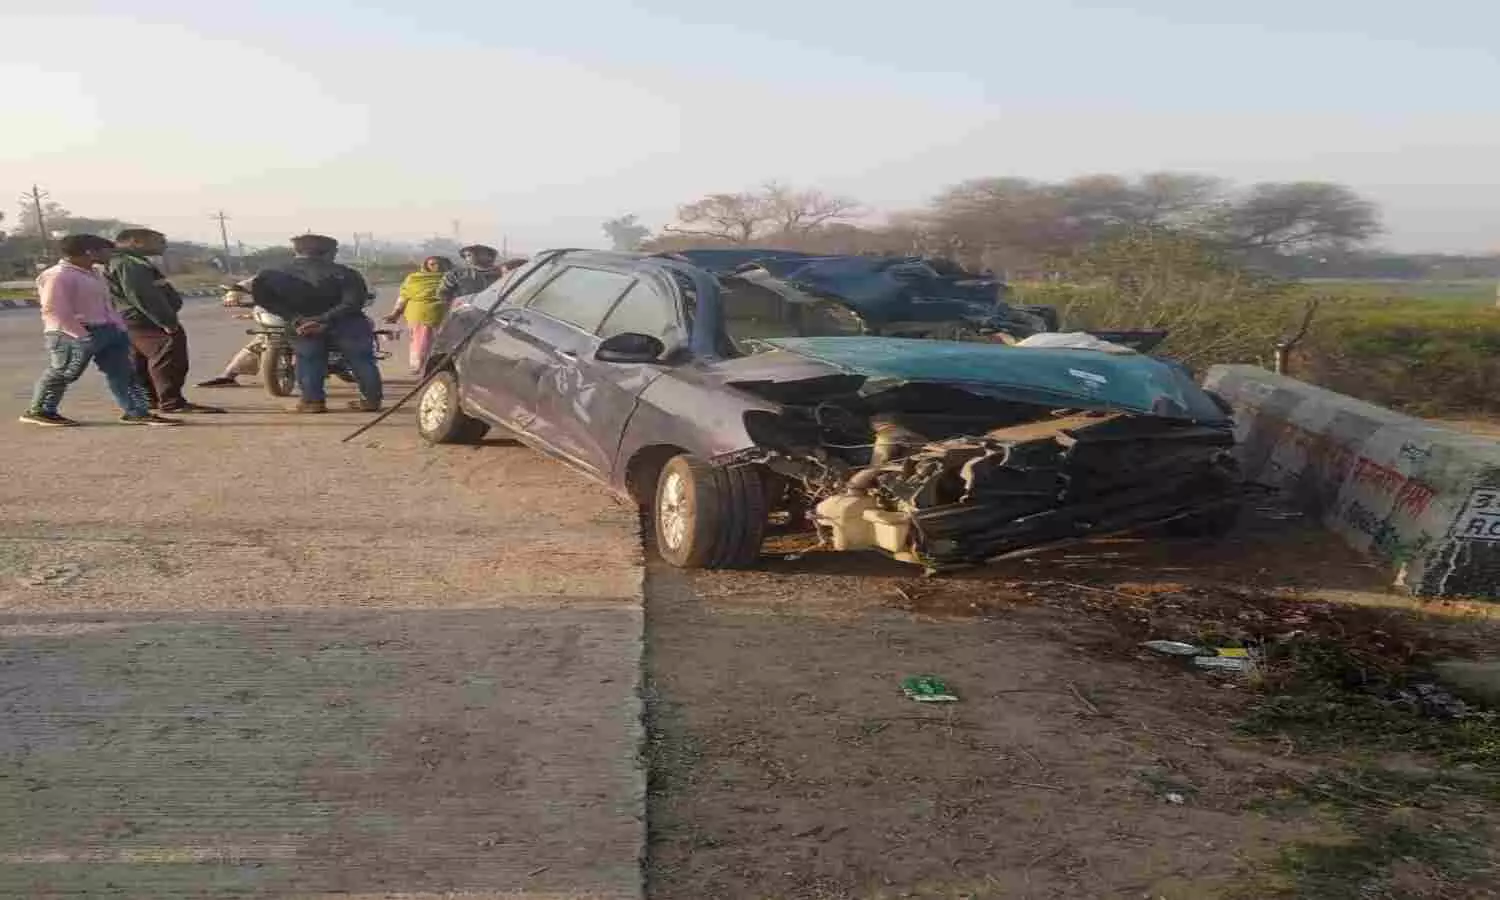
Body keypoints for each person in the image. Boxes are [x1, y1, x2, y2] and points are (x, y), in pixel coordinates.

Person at [19, 234, 180, 427]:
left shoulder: (95, 273)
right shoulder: (58, 275)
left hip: (109, 330)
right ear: (90, 252)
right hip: (72, 334)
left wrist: (119, 326)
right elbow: (54, 310)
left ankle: (137, 412)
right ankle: (40, 411)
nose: (110, 255)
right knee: (64, 372)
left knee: (123, 373)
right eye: (106, 251)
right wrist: (81, 335)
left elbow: (106, 304)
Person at [250, 234, 383, 413]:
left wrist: (297, 319)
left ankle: (312, 403)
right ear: (329, 252)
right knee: (362, 360)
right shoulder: (346, 273)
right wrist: (323, 320)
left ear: (296, 250)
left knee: (309, 359)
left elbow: (264, 300)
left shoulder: (272, 274)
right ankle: (371, 401)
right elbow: (353, 302)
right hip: (346, 324)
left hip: (303, 326)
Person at [106, 228, 224, 414]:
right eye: (159, 241)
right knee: (168, 356)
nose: (164, 246)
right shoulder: (131, 264)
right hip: (144, 319)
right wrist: (166, 321)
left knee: (141, 359)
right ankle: (171, 402)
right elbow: (144, 297)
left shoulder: (125, 261)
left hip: (130, 319)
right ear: (136, 241)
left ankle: (150, 399)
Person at [383, 255, 452, 373]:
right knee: (421, 342)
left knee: (443, 342)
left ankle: (438, 366)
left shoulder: (451, 279)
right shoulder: (414, 279)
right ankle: (419, 366)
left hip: (444, 314)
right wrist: (395, 314)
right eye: (433, 264)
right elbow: (403, 297)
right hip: (419, 315)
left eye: (440, 264)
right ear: (426, 266)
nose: (437, 267)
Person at [197, 280, 262, 388]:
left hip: (293, 320)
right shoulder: (275, 276)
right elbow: (254, 282)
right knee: (258, 345)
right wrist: (234, 293)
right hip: (278, 320)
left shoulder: (290, 278)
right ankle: (228, 376)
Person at [437, 244, 504, 303]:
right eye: (467, 255)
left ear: (490, 257)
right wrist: (455, 303)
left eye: (478, 253)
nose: (470, 257)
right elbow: (443, 292)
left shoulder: (503, 274)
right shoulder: (456, 274)